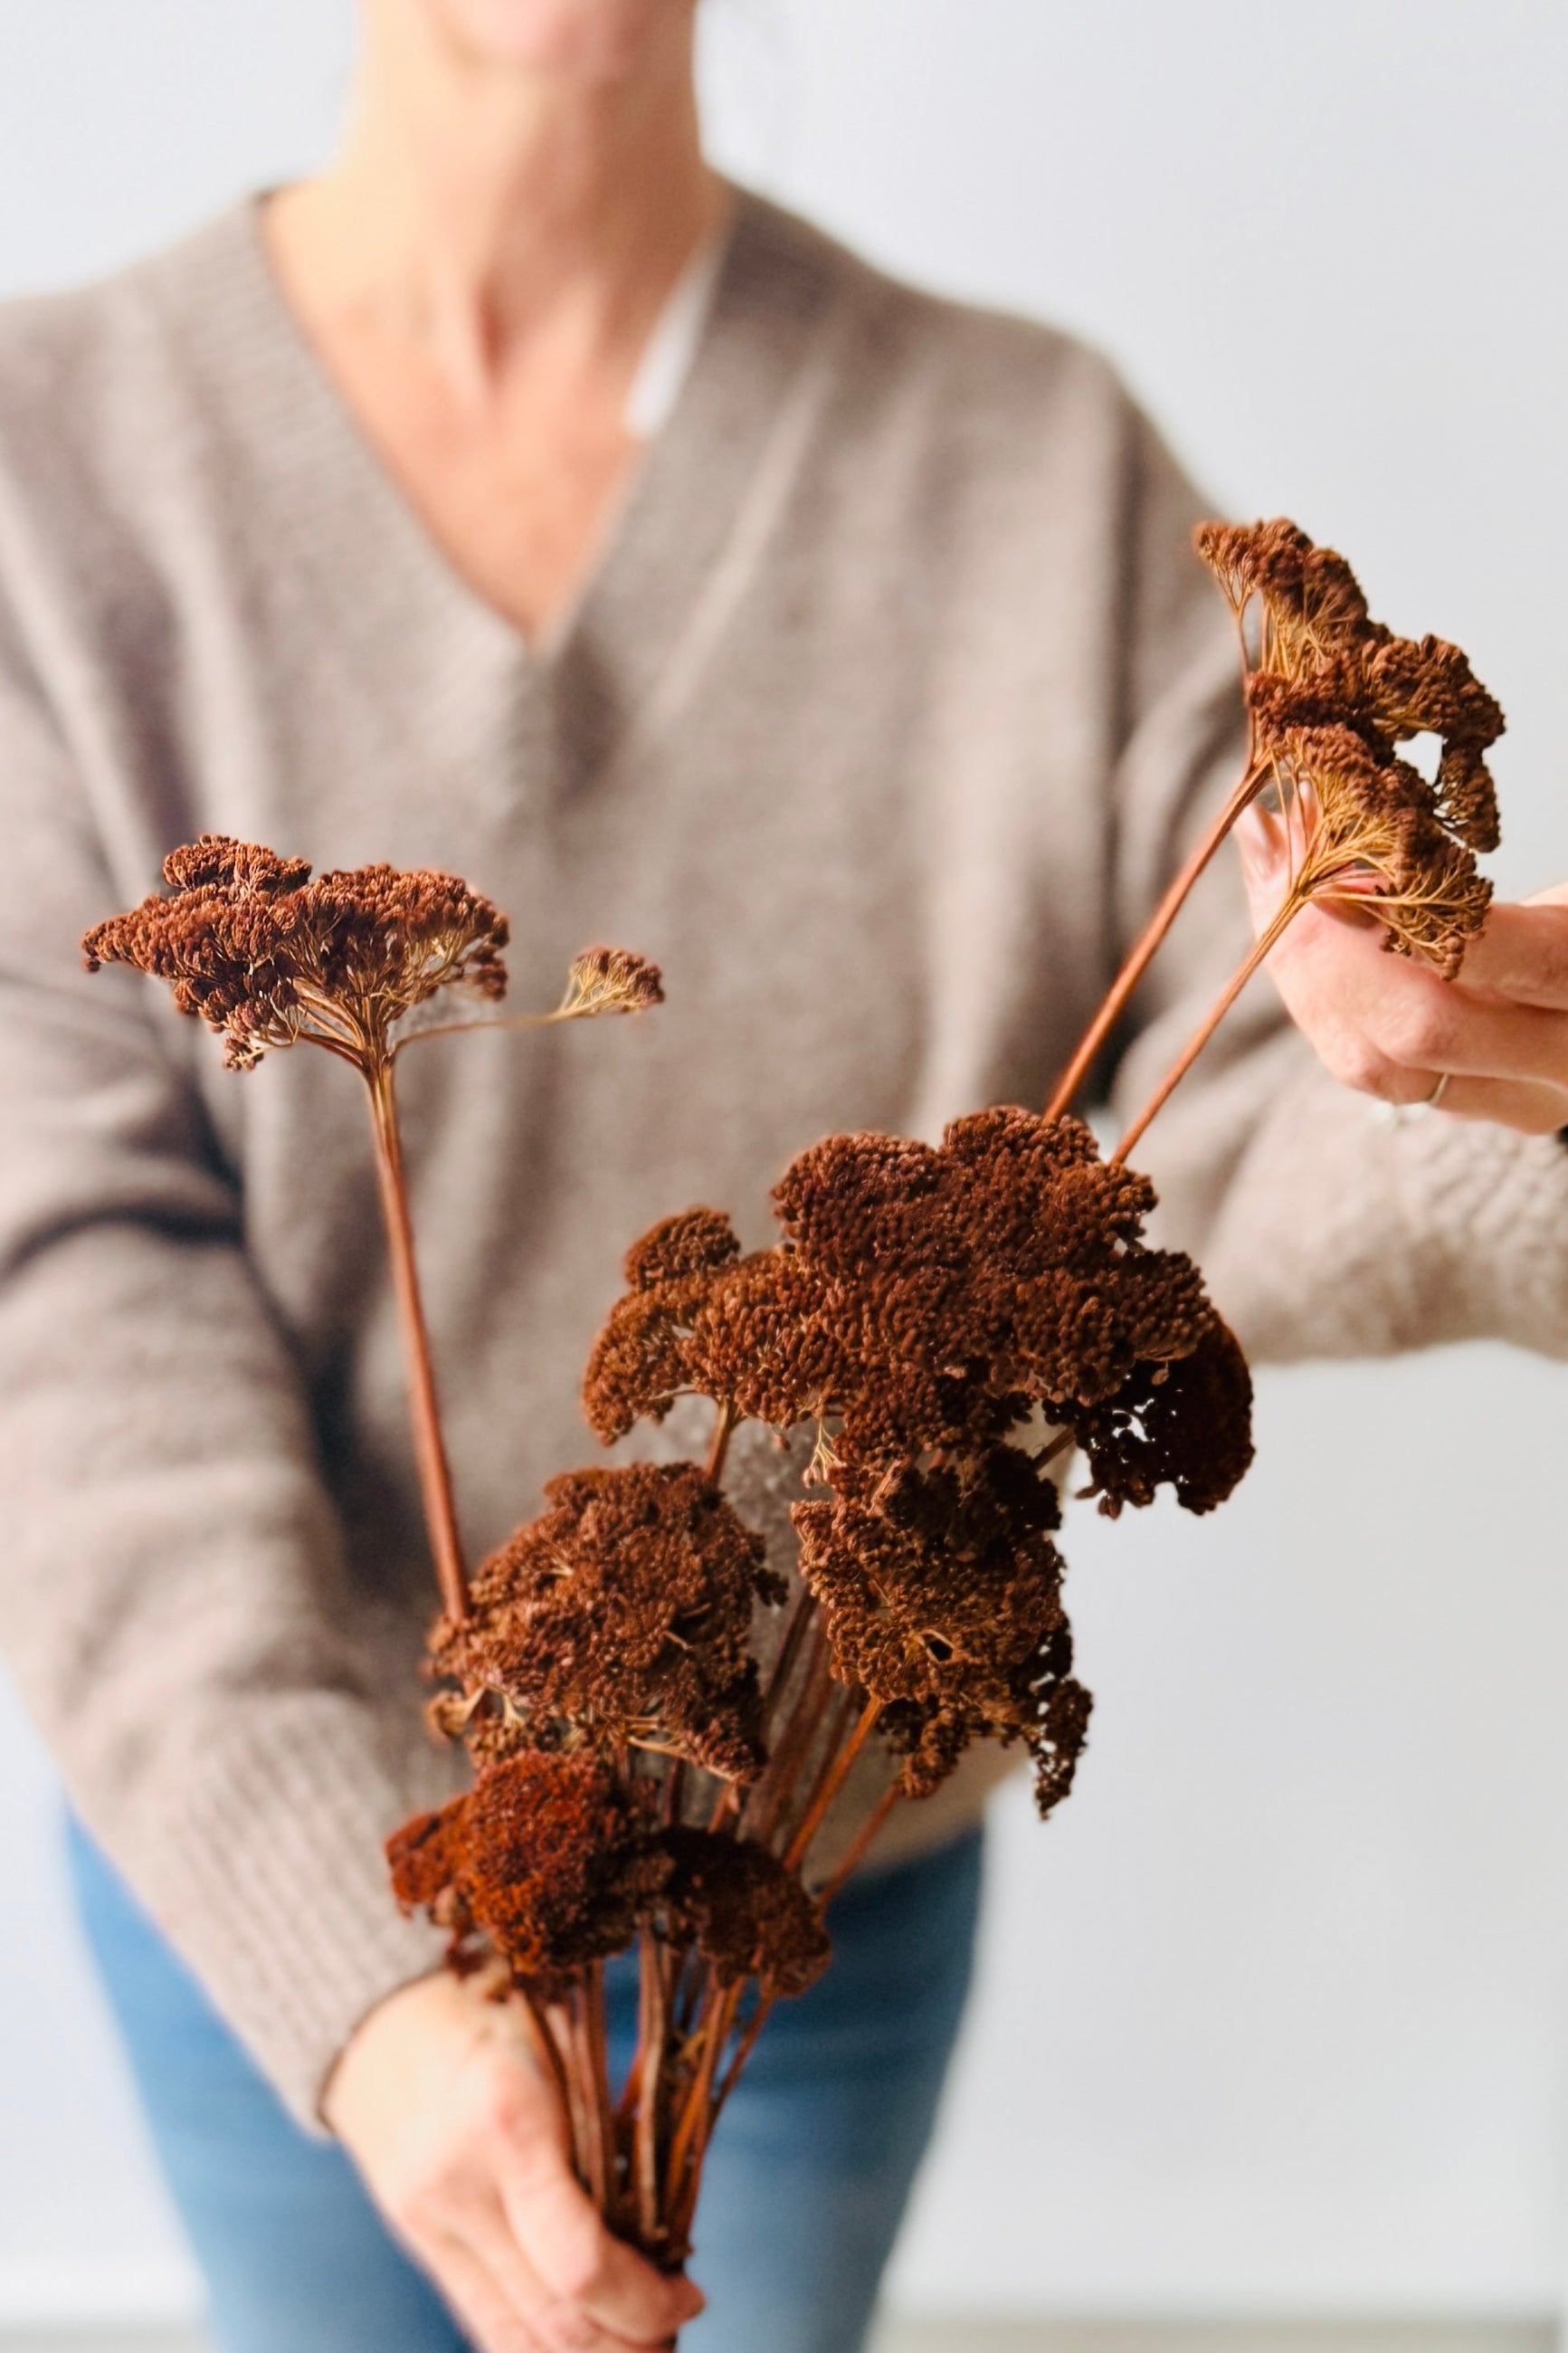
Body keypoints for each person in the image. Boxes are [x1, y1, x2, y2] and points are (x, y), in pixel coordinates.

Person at [4, 5, 1568, 2351]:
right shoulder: (51, 474)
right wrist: (352, 1971)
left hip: (809, 1886)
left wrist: (1520, 1094)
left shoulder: (1036, 466)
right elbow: (59, 1287)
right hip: (279, 1859)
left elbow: (1234, 1127)